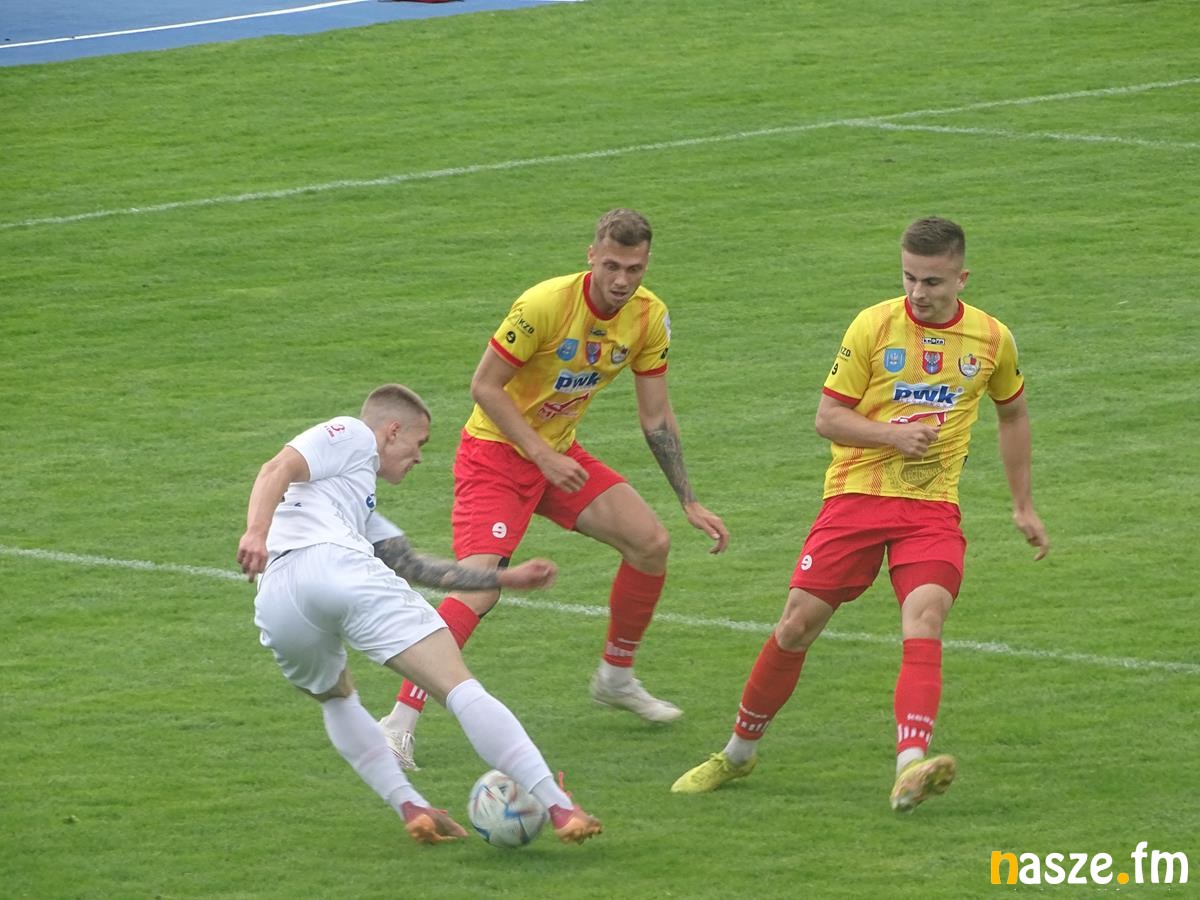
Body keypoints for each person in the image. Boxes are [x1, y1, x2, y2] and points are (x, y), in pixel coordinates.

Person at [671, 217, 1049, 812]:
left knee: (925, 615)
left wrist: (1022, 504)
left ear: (961, 278)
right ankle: (738, 753)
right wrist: (891, 436)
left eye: (932, 281)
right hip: (855, 498)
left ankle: (910, 766)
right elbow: (827, 417)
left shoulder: (992, 339)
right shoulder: (872, 326)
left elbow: (1013, 414)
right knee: (796, 626)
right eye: (909, 277)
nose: (918, 292)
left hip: (931, 508)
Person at [379, 208, 730, 770]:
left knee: (650, 543)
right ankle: (398, 723)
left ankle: (615, 677)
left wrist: (688, 499)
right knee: (478, 587)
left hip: (558, 457)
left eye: (634, 268)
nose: (622, 280)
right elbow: (484, 386)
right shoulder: (543, 305)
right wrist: (540, 454)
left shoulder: (649, 318)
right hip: (497, 456)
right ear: (591, 256)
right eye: (611, 266)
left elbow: (656, 417)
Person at [236, 383, 601, 844]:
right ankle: (559, 806)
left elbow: (412, 566)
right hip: (334, 563)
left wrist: (506, 577)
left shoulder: (353, 503)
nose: (419, 457)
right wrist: (255, 532)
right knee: (457, 685)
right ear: (392, 431)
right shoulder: (353, 433)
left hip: (279, 596)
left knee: (335, 695)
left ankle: (410, 805)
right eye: (419, 442)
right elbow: (276, 467)